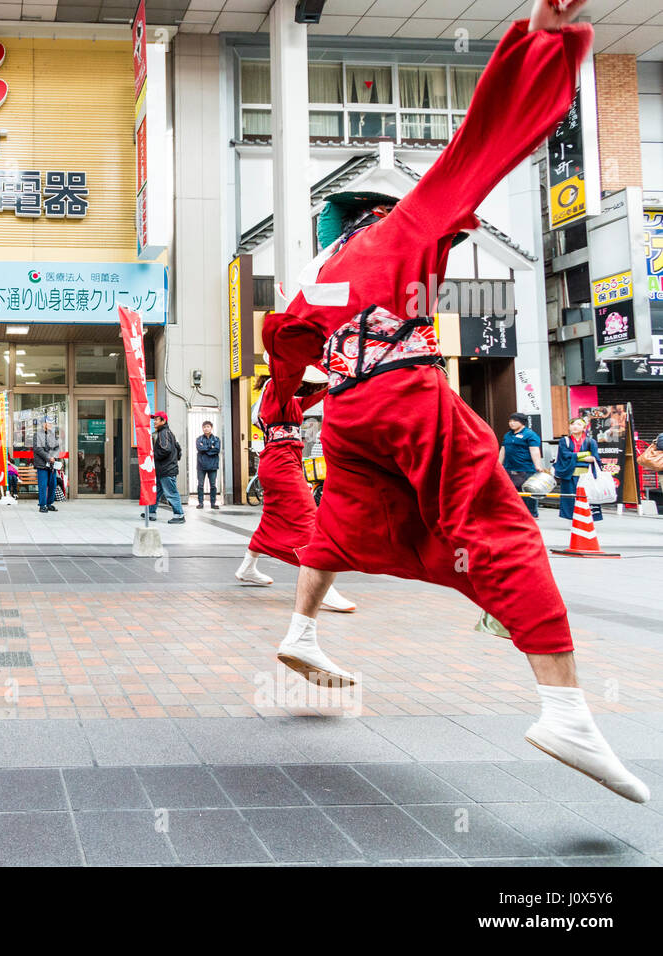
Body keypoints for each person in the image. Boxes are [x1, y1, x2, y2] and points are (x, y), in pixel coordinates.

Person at [259, 0, 647, 803]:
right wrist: (539, 42)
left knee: (346, 520)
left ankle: (299, 630)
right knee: (501, 528)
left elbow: (283, 340)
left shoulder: (315, 277)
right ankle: (565, 709)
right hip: (404, 393)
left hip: (350, 413)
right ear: (375, 211)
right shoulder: (403, 226)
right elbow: (482, 145)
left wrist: (286, 409)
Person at [236, 367, 355, 613]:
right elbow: (293, 386)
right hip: (281, 463)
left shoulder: (285, 400)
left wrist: (333, 381)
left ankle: (247, 567)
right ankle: (322, 588)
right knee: (309, 519)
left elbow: (311, 398)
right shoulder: (276, 391)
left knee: (272, 517)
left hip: (281, 461)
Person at [553, 417, 602, 521]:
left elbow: (595, 457)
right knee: (570, 498)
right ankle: (572, 519)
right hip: (569, 474)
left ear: (584, 427)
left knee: (587, 497)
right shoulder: (564, 441)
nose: (575, 426)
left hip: (586, 475)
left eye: (579, 424)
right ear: (569, 427)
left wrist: (588, 458)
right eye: (573, 424)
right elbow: (565, 455)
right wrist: (584, 456)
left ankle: (587, 519)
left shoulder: (590, 441)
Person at [500, 412, 547, 519]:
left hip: (525, 468)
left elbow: (534, 450)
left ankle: (532, 513)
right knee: (512, 491)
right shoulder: (508, 435)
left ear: (522, 423)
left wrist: (538, 465)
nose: (511, 423)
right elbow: (503, 450)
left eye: (515, 421)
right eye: (510, 421)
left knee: (528, 491)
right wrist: (499, 464)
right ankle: (516, 512)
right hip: (510, 467)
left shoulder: (530, 434)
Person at [146, 411, 185, 524]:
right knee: (156, 492)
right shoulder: (167, 433)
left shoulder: (164, 433)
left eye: (157, 419)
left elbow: (165, 449)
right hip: (164, 469)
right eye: (154, 419)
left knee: (171, 493)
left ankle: (179, 515)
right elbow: (177, 450)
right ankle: (151, 513)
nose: (154, 422)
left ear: (163, 421)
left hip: (166, 470)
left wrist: (153, 456)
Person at [32, 417, 61, 514]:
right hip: (42, 464)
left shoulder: (53, 435)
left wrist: (53, 457)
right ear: (43, 424)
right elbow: (38, 449)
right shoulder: (37, 435)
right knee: (43, 485)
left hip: (52, 464)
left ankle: (49, 504)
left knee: (53, 484)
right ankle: (42, 505)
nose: (50, 425)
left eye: (51, 423)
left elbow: (57, 447)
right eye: (48, 423)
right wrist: (49, 457)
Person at [195, 421, 221, 510]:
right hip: (201, 466)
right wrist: (210, 447)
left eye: (208, 426)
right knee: (200, 485)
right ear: (202, 428)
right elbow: (199, 448)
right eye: (204, 427)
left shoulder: (216, 439)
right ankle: (200, 503)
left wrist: (205, 449)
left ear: (211, 428)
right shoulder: (199, 439)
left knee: (213, 485)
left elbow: (217, 450)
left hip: (213, 466)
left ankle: (213, 503)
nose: (206, 428)